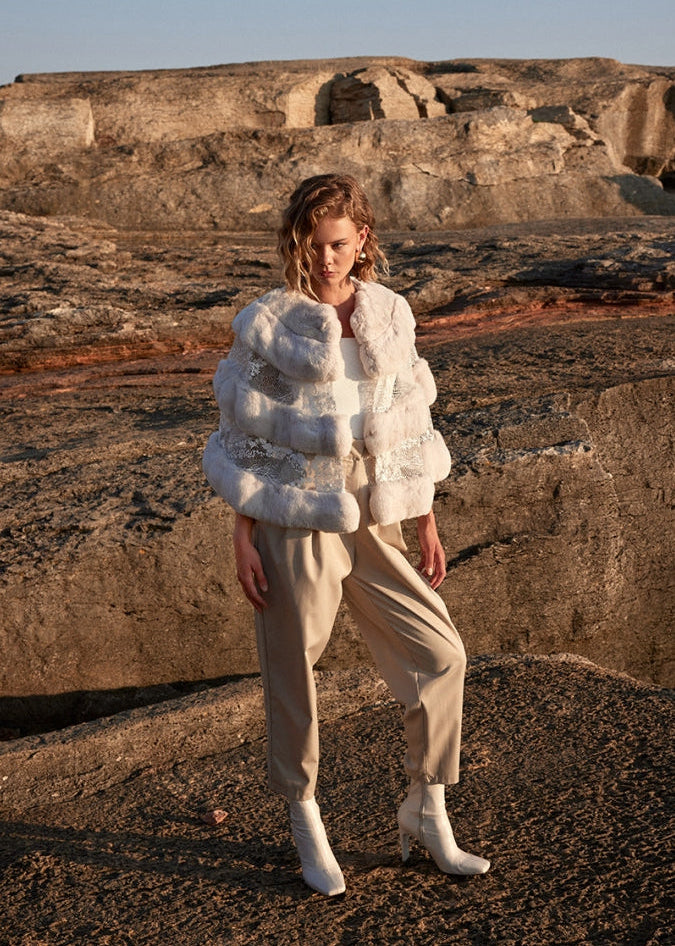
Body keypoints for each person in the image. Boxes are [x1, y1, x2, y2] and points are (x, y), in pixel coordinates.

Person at [203, 174, 490, 896]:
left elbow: (410, 419)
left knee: (441, 655)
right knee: (293, 668)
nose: (325, 259)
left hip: (378, 514)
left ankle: (426, 808)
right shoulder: (267, 321)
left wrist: (423, 514)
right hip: (295, 517)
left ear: (361, 239)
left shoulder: (392, 314)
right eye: (311, 244)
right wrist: (243, 532)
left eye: (337, 244)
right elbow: (240, 435)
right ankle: (303, 814)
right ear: (295, 243)